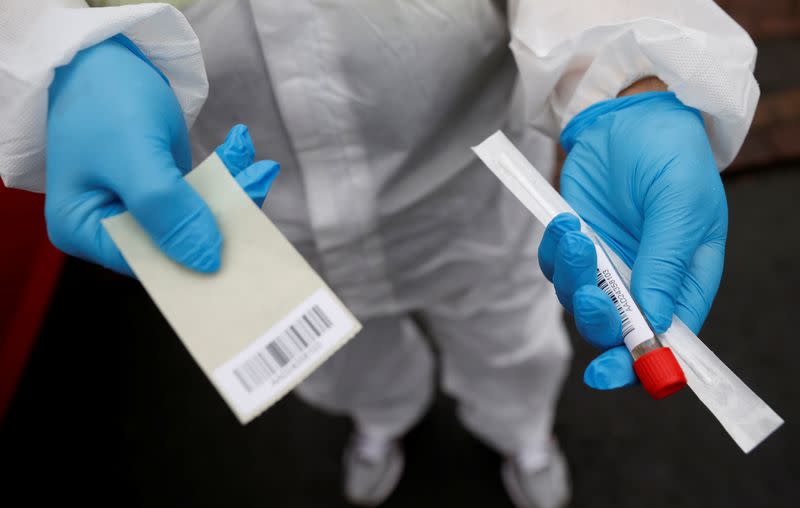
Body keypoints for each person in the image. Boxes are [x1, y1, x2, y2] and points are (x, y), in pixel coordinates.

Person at [0, 1, 757, 507]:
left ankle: (521, 431)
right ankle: (383, 415)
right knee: (336, 358)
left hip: (466, 186)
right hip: (258, 205)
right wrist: (70, 51)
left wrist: (634, 77)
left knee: (509, 338)